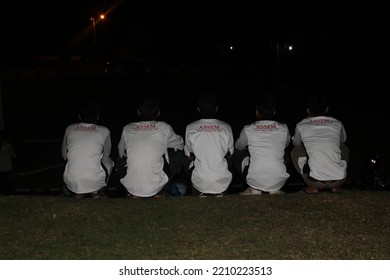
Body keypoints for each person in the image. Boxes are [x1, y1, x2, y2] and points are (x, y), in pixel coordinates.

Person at [117, 97, 184, 199]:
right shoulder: (164, 127)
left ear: (138, 112)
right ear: (158, 113)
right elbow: (180, 144)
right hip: (156, 185)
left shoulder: (127, 128)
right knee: (177, 152)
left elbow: (121, 153)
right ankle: (160, 191)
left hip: (131, 186)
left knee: (122, 156)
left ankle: (134, 191)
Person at [233, 92, 290, 196]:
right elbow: (286, 145)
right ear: (274, 112)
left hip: (254, 179)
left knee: (237, 153)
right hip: (279, 181)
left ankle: (254, 188)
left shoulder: (248, 129)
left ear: (257, 112)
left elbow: (238, 146)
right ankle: (275, 188)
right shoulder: (284, 128)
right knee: (284, 152)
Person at [290, 94, 349, 193]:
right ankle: (335, 185)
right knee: (343, 147)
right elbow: (343, 140)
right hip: (339, 180)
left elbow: (296, 143)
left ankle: (312, 186)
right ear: (326, 109)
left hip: (314, 181)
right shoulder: (337, 123)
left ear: (308, 110)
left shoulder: (301, 124)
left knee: (296, 150)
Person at [184, 93, 234, 197]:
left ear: (198, 109)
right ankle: (220, 188)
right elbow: (231, 152)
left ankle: (198, 189)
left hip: (200, 180)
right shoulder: (226, 127)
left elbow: (188, 153)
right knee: (230, 156)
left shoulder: (191, 127)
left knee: (184, 158)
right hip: (221, 179)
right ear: (216, 109)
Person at [61, 99, 114, 199]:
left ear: (80, 116)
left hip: (72, 179)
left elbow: (64, 155)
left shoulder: (69, 128)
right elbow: (106, 154)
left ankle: (78, 191)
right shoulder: (104, 131)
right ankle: (96, 191)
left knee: (71, 158)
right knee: (108, 161)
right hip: (95, 180)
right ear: (98, 116)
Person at [0, 129, 16, 195]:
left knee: (9, 181)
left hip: (7, 167)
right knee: (2, 182)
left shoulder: (7, 145)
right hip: (0, 167)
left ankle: (11, 192)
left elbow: (14, 155)